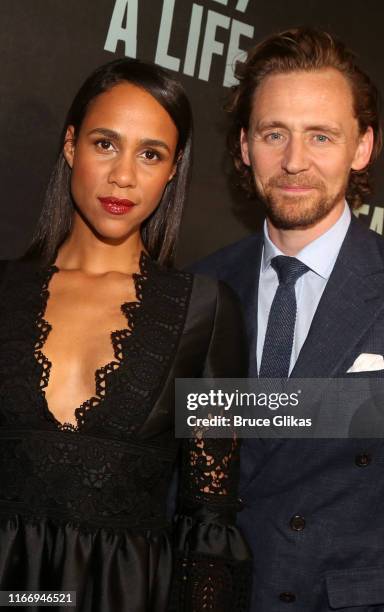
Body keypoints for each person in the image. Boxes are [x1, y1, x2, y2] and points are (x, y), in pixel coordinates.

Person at [0, 59, 251, 611]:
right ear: (70, 146)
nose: (124, 177)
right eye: (105, 144)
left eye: (150, 154)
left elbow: (209, 520)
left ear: (172, 170)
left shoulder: (207, 311)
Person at [191, 27, 384, 611]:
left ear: (363, 147)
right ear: (245, 146)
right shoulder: (197, 290)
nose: (295, 162)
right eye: (275, 134)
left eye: (321, 136)